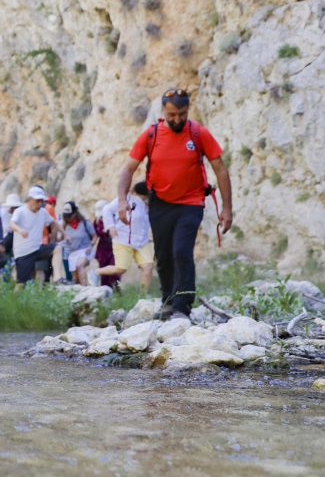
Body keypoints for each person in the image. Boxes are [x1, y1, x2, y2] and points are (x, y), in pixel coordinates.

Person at [117, 88, 232, 320]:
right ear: (163, 112)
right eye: (171, 115)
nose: (177, 119)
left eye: (182, 114)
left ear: (188, 109)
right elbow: (128, 169)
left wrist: (227, 208)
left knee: (181, 251)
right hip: (160, 203)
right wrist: (122, 201)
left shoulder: (198, 133)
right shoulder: (151, 135)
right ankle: (168, 300)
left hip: (191, 202)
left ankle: (182, 306)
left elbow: (220, 168)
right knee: (163, 255)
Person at [100, 183, 153, 292]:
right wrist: (111, 226)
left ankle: (143, 296)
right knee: (120, 269)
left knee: (148, 266)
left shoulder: (148, 205)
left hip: (142, 242)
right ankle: (95, 273)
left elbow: (146, 223)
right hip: (123, 239)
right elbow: (107, 209)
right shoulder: (127, 199)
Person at [10, 186, 65, 284]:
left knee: (57, 248)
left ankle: (57, 277)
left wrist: (64, 234)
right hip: (24, 252)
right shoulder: (20, 211)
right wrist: (20, 230)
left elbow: (54, 222)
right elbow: (11, 223)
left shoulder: (43, 212)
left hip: (37, 248)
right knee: (21, 284)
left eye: (41, 201)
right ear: (30, 199)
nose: (40, 204)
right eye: (37, 201)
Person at [59, 201, 98, 286]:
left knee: (79, 265)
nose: (68, 218)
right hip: (72, 253)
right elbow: (60, 239)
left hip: (85, 250)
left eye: (70, 215)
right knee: (75, 278)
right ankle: (80, 289)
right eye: (66, 216)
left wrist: (91, 245)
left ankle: (85, 288)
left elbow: (94, 236)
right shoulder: (64, 226)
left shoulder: (85, 223)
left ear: (75, 213)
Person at [91, 201, 118, 289]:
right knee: (103, 269)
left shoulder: (114, 218)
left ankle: (116, 289)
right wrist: (91, 245)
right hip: (102, 248)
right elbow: (95, 234)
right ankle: (105, 290)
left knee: (114, 268)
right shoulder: (97, 221)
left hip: (113, 246)